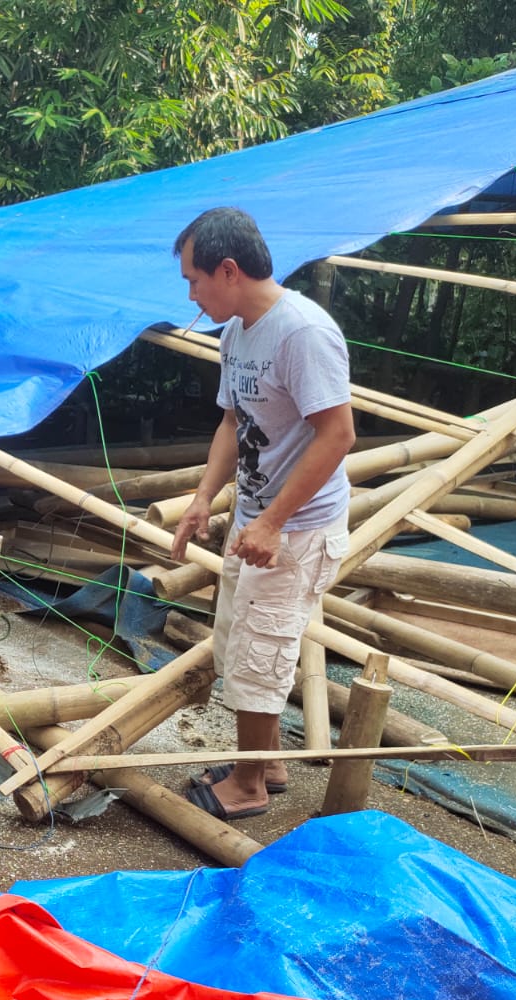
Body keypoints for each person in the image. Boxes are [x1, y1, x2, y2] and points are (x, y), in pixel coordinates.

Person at [169, 207, 354, 820]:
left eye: (195, 279)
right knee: (236, 642)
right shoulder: (237, 332)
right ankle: (266, 762)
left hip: (296, 528)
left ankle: (248, 788)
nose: (191, 294)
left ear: (228, 270)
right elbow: (232, 421)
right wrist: (202, 499)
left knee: (261, 653)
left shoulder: (302, 332)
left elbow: (338, 435)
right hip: (255, 520)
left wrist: (274, 522)